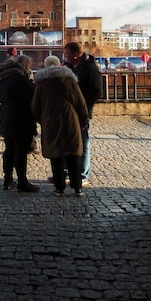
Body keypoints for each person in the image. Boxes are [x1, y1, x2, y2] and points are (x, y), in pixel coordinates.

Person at [32, 55, 89, 196]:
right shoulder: (70, 81)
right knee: (72, 155)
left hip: (50, 121)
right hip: (70, 120)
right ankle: (77, 187)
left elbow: (35, 107)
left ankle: (59, 187)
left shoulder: (41, 84)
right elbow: (81, 103)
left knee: (55, 156)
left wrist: (43, 120)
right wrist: (83, 120)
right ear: (59, 64)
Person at [0, 54, 39, 193]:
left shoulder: (4, 78)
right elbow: (31, 94)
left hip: (7, 115)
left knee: (9, 148)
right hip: (21, 116)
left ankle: (8, 179)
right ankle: (22, 181)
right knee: (21, 150)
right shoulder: (20, 79)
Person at [63, 42, 102, 182]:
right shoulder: (67, 67)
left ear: (75, 54)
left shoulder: (89, 68)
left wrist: (84, 108)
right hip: (69, 110)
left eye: (67, 54)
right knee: (67, 142)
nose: (65, 57)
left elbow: (96, 91)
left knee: (83, 142)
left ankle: (82, 174)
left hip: (82, 111)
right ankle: (67, 171)